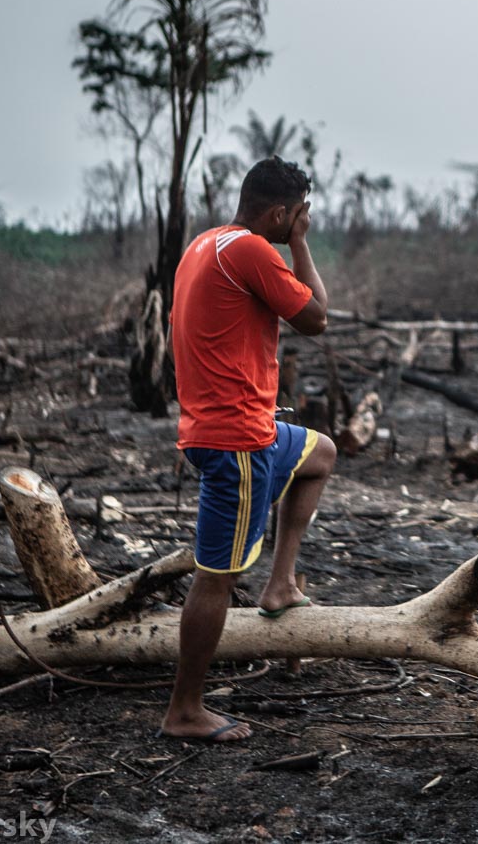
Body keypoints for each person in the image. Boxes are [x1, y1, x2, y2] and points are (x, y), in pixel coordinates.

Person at [160, 156, 335, 743]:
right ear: (282, 213)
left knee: (320, 453)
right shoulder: (253, 251)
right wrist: (301, 245)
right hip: (236, 443)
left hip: (242, 430)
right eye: (297, 215)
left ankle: (280, 585)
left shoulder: (205, 244)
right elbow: (316, 316)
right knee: (216, 577)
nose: (299, 224)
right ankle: (186, 709)